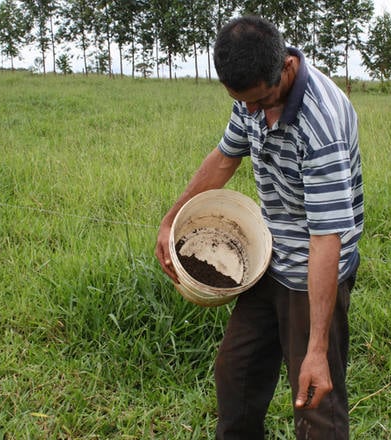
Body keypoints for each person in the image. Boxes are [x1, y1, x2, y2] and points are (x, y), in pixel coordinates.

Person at [155, 15, 363, 440]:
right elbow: (224, 157)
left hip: (313, 270)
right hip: (268, 256)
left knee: (314, 402)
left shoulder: (321, 125)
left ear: (286, 67)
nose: (249, 110)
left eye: (259, 100)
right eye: (239, 100)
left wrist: (317, 349)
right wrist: (171, 219)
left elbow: (327, 241)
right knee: (237, 375)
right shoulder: (252, 92)